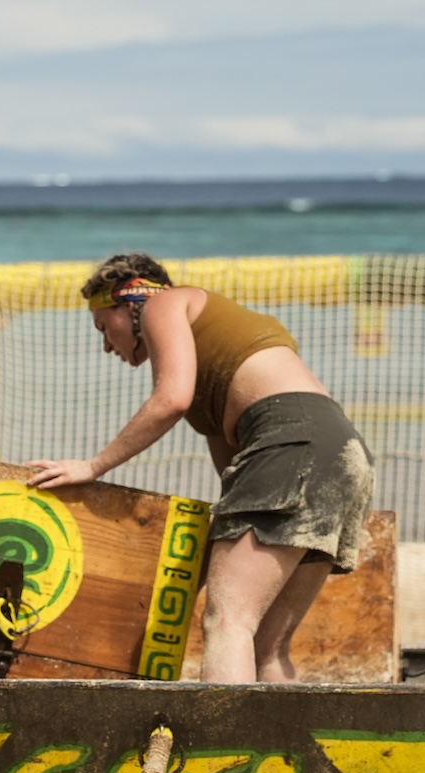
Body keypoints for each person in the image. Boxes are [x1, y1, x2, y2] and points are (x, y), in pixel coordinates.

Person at [25, 253, 375, 683]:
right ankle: (277, 747)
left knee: (227, 623)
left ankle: (227, 748)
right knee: (266, 646)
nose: (105, 345)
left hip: (291, 444)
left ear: (129, 301)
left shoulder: (163, 303)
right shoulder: (214, 378)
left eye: (103, 327)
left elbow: (171, 399)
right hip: (343, 455)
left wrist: (93, 466)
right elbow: (237, 486)